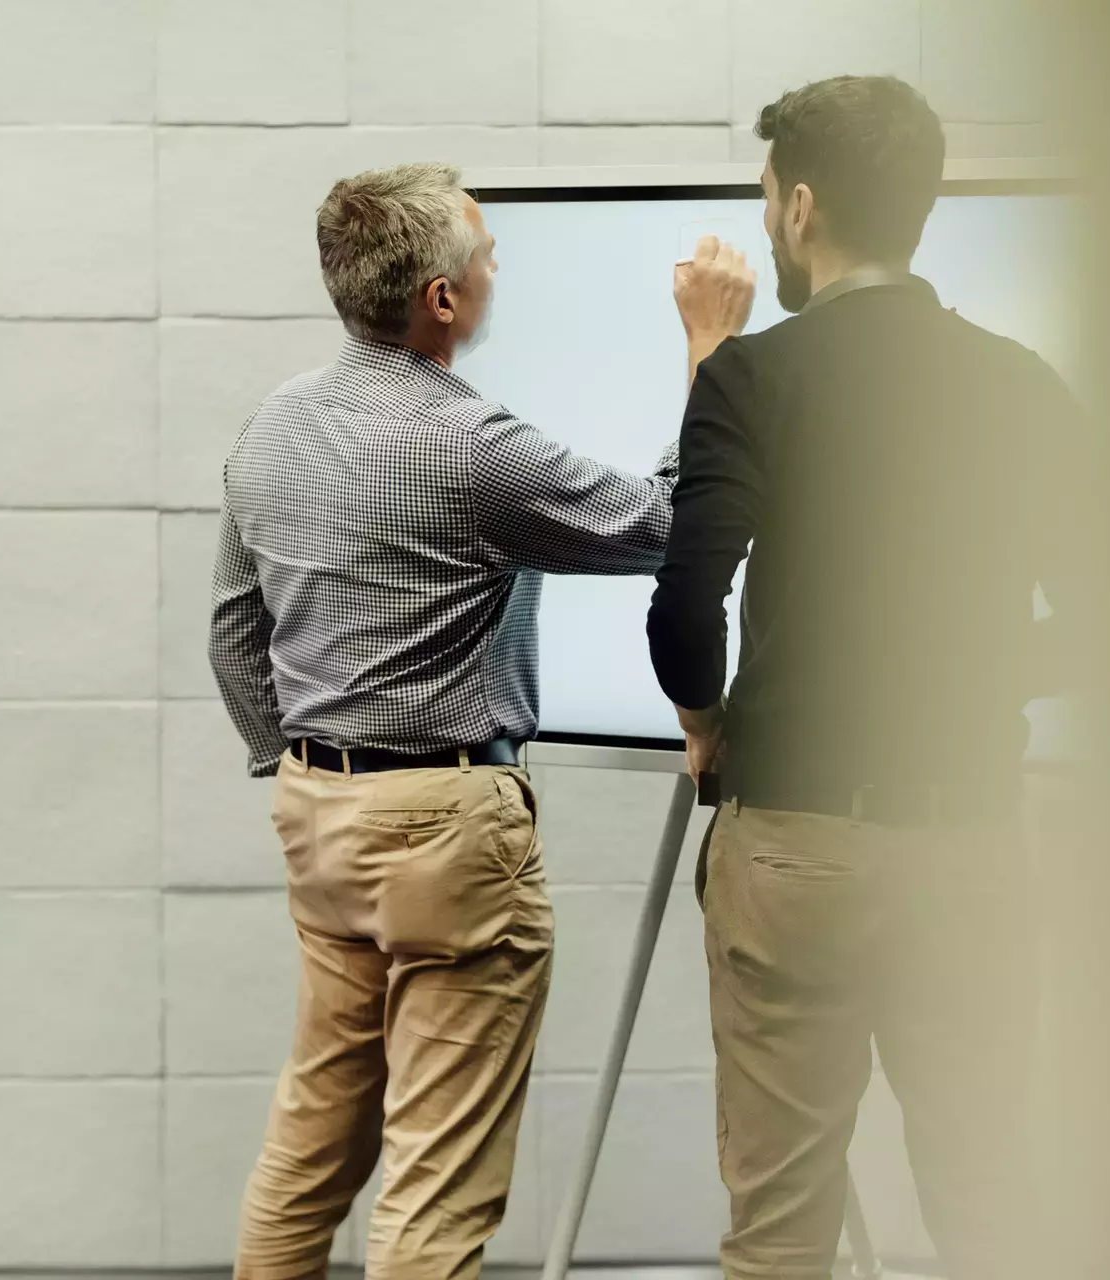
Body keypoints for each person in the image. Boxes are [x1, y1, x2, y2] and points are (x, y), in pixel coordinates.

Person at [211, 162, 754, 1280]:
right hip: (449, 831)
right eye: (488, 256)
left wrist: (305, 769)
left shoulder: (272, 428)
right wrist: (710, 349)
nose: (498, 269)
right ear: (442, 299)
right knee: (437, 1183)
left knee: (308, 1149)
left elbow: (232, 632)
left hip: (319, 817)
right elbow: (666, 525)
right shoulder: (471, 446)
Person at [647, 76, 1083, 1279]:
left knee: (780, 1228)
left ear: (800, 206)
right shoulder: (1018, 380)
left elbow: (686, 607)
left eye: (767, 198)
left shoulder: (750, 376)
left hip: (797, 846)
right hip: (971, 846)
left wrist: (706, 723)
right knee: (988, 1204)